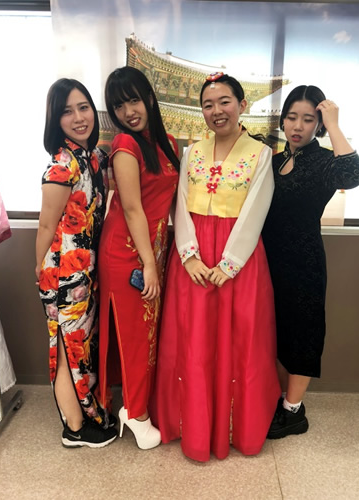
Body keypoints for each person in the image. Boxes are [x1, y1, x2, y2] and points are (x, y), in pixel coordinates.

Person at [152, 72, 281, 462]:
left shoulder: (260, 154)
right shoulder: (192, 152)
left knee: (237, 341)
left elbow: (257, 209)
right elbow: (180, 203)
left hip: (238, 258)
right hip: (193, 258)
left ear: (242, 105)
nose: (216, 111)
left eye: (224, 102)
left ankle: (235, 428)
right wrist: (188, 254)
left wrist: (230, 263)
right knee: (193, 341)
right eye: (208, 105)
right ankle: (189, 425)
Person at [262, 85, 359, 439]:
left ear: (318, 125)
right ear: (282, 120)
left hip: (304, 263)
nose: (298, 126)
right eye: (292, 117)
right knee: (276, 334)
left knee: (303, 336)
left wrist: (334, 124)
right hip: (268, 262)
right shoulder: (274, 161)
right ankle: (283, 399)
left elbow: (355, 174)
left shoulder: (324, 162)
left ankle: (294, 411)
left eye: (308, 119)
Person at [98, 66, 180, 450]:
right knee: (134, 336)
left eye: (133, 100)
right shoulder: (125, 145)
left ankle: (137, 405)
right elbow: (131, 209)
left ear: (149, 97)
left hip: (153, 250)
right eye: (119, 106)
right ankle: (136, 413)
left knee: (148, 334)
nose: (128, 112)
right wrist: (148, 263)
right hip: (127, 253)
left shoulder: (169, 143)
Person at [36, 78, 117, 448]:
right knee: (67, 348)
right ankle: (74, 427)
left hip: (85, 271)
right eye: (67, 111)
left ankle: (86, 415)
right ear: (56, 119)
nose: (79, 117)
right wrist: (39, 270)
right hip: (63, 275)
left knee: (80, 346)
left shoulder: (93, 156)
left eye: (84, 107)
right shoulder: (61, 165)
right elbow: (46, 226)